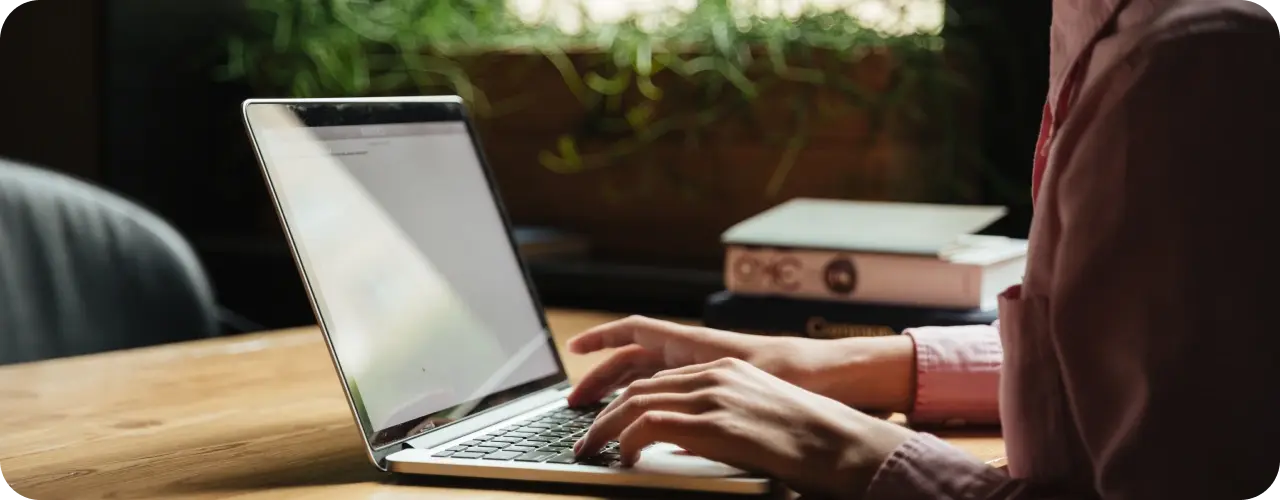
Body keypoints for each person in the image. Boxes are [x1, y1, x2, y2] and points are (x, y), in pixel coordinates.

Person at [565, 0, 1280, 498]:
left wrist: (842, 448)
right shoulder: (1126, 32)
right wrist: (840, 363)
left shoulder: (1195, 59)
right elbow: (1170, 363)